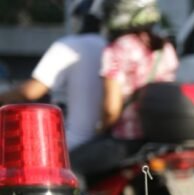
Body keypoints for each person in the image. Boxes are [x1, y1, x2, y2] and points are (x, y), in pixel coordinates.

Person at [71, 0, 179, 181]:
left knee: (69, 167)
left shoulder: (119, 48)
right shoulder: (165, 48)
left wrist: (100, 129)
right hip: (158, 141)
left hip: (126, 140)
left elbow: (110, 109)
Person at [0, 0, 105, 151]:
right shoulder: (111, 47)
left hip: (70, 145)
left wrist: (3, 97)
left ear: (77, 19)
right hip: (104, 144)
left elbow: (30, 91)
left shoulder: (68, 45)